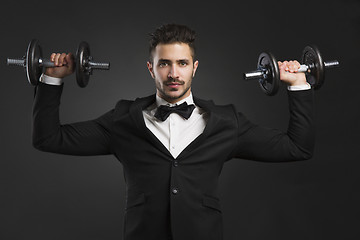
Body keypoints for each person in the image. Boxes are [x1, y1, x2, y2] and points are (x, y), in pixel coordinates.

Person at [32, 24, 315, 240]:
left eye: (181, 63)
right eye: (164, 64)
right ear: (151, 69)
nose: (173, 74)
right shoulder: (122, 121)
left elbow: (297, 148)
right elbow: (48, 138)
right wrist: (52, 79)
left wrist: (298, 84)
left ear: (195, 68)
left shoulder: (227, 122)